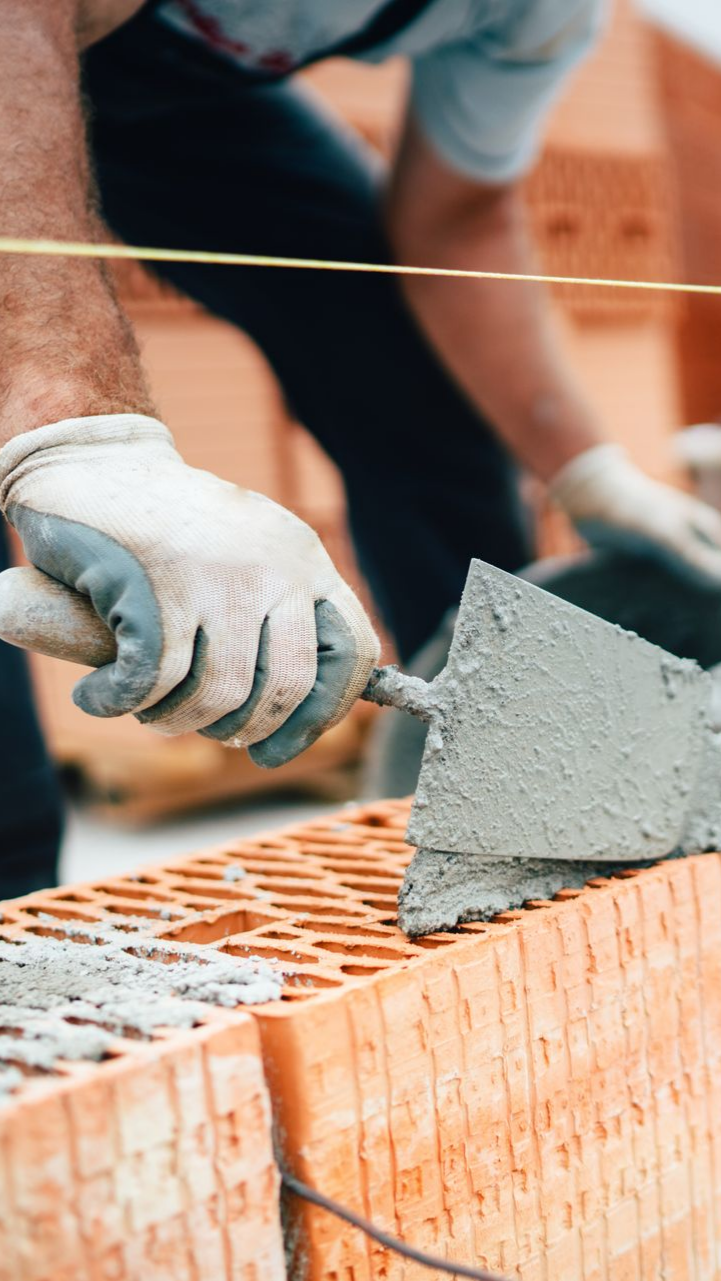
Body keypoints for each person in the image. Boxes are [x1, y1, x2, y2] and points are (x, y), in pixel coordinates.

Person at [3, 0, 721, 895]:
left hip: (173, 100)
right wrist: (82, 434)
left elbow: (455, 220)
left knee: (399, 347)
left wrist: (586, 468)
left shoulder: (540, 14)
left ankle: (504, 790)